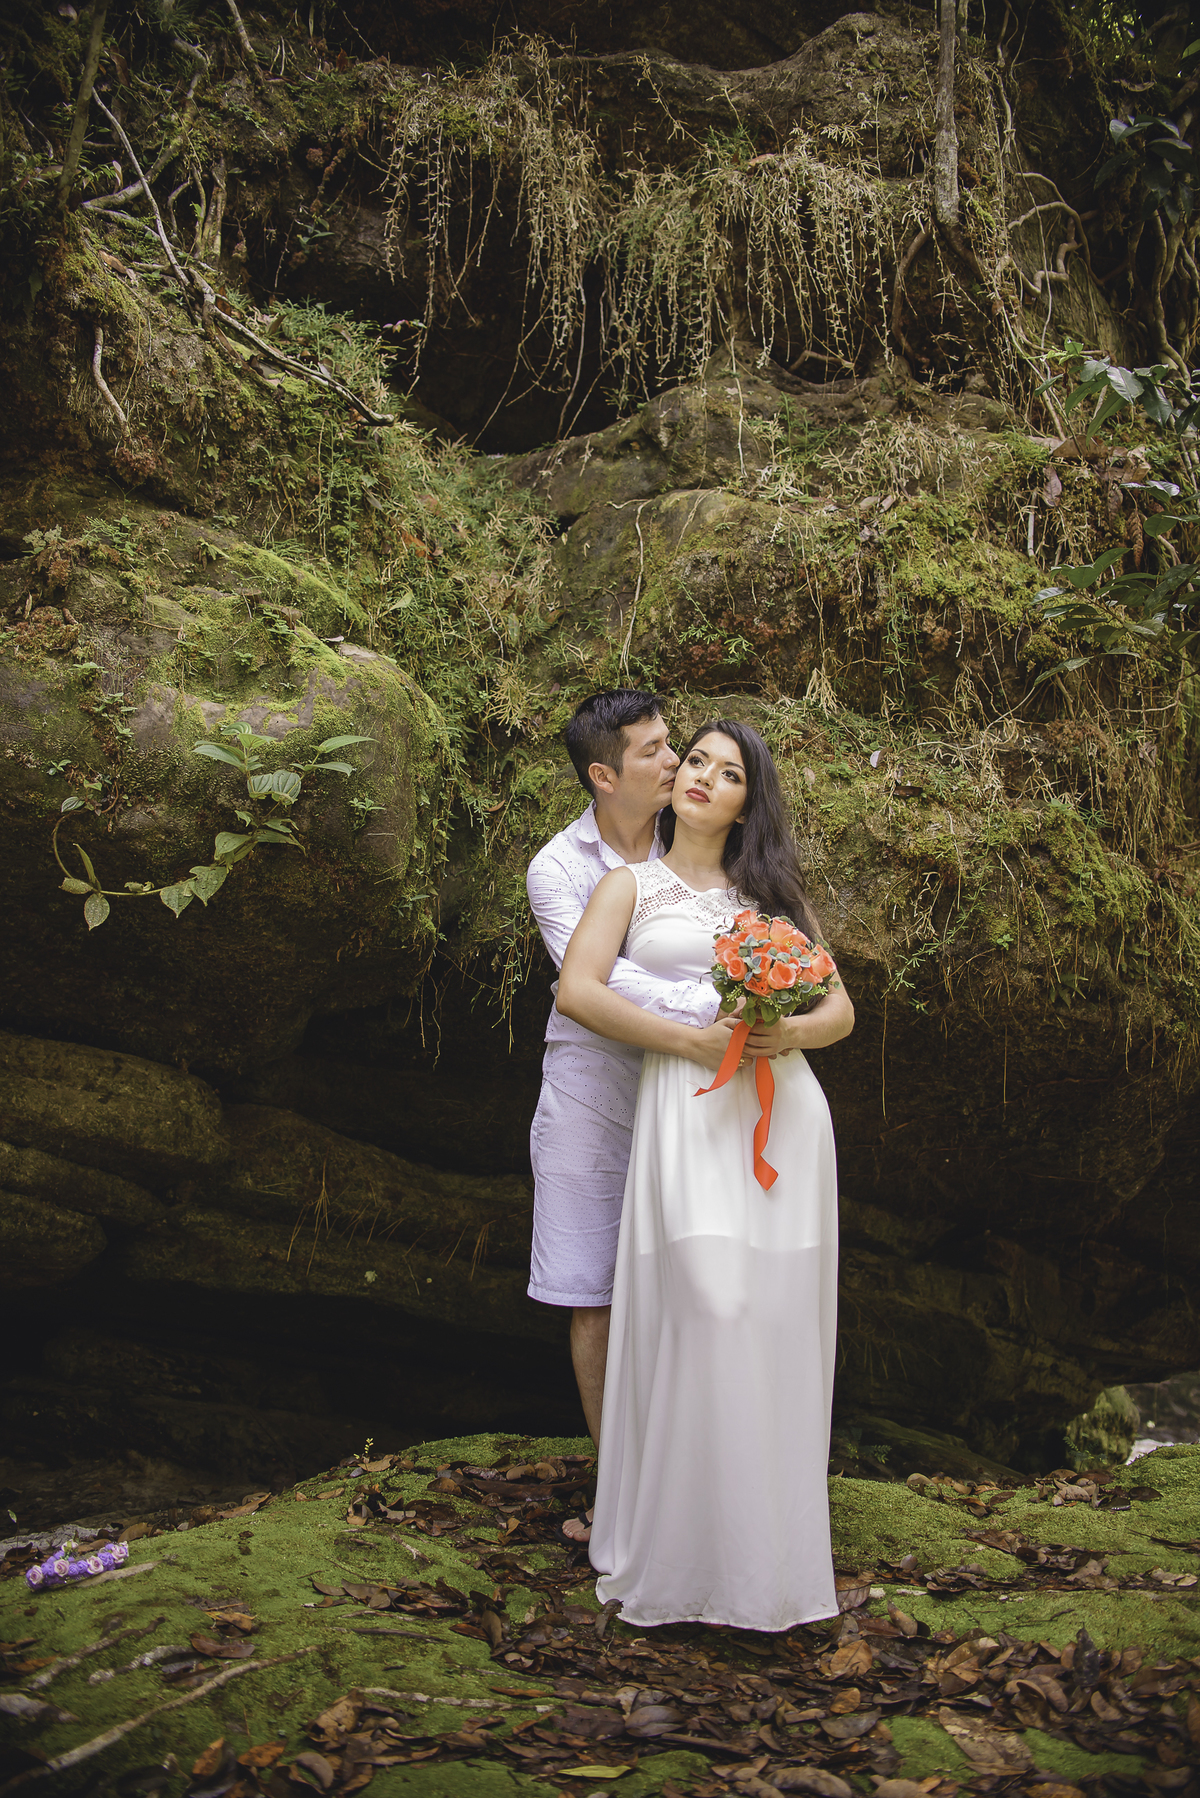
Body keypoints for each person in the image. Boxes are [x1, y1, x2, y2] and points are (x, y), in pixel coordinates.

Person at [556, 718, 854, 1631]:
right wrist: (690, 1040)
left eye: (728, 774)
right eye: (695, 762)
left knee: (767, 1318)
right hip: (685, 1116)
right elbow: (578, 990)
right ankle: (681, 1548)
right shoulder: (626, 885)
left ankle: (766, 1560)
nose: (703, 779)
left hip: (780, 1120)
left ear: (744, 802)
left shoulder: (771, 899)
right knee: (708, 1304)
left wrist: (784, 1030)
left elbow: (839, 1008)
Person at [525, 692, 742, 1549]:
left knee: (692, 1277)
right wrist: (702, 1008)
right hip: (592, 1095)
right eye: (655, 752)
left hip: (692, 1102)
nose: (675, 763)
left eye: (674, 747)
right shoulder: (557, 868)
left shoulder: (691, 840)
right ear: (603, 775)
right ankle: (622, 1490)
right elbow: (592, 986)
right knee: (594, 1294)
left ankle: (696, 1481)